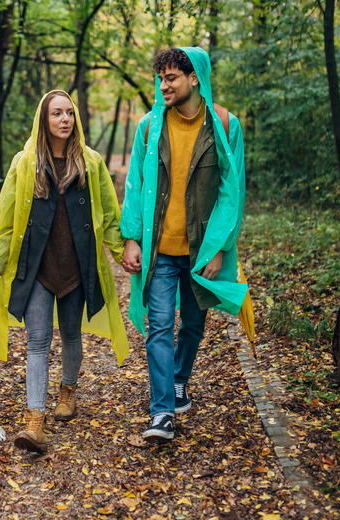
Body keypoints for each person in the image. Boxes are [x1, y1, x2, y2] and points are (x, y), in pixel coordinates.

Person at [0, 90, 129, 453]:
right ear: (44, 120)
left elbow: (108, 215)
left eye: (69, 113)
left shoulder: (90, 163)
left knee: (72, 335)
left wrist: (125, 250)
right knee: (38, 341)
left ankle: (68, 390)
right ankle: (34, 422)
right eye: (56, 114)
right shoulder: (24, 162)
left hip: (77, 266)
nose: (64, 119)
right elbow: (4, 217)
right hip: (37, 269)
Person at [120, 47, 247, 442]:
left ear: (195, 78)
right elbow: (135, 183)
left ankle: (179, 379)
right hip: (159, 249)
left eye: (171, 78)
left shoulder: (225, 126)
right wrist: (130, 238)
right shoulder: (150, 126)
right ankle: (162, 412)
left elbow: (232, 190)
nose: (164, 86)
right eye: (161, 78)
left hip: (199, 252)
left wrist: (219, 247)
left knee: (192, 324)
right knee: (158, 327)